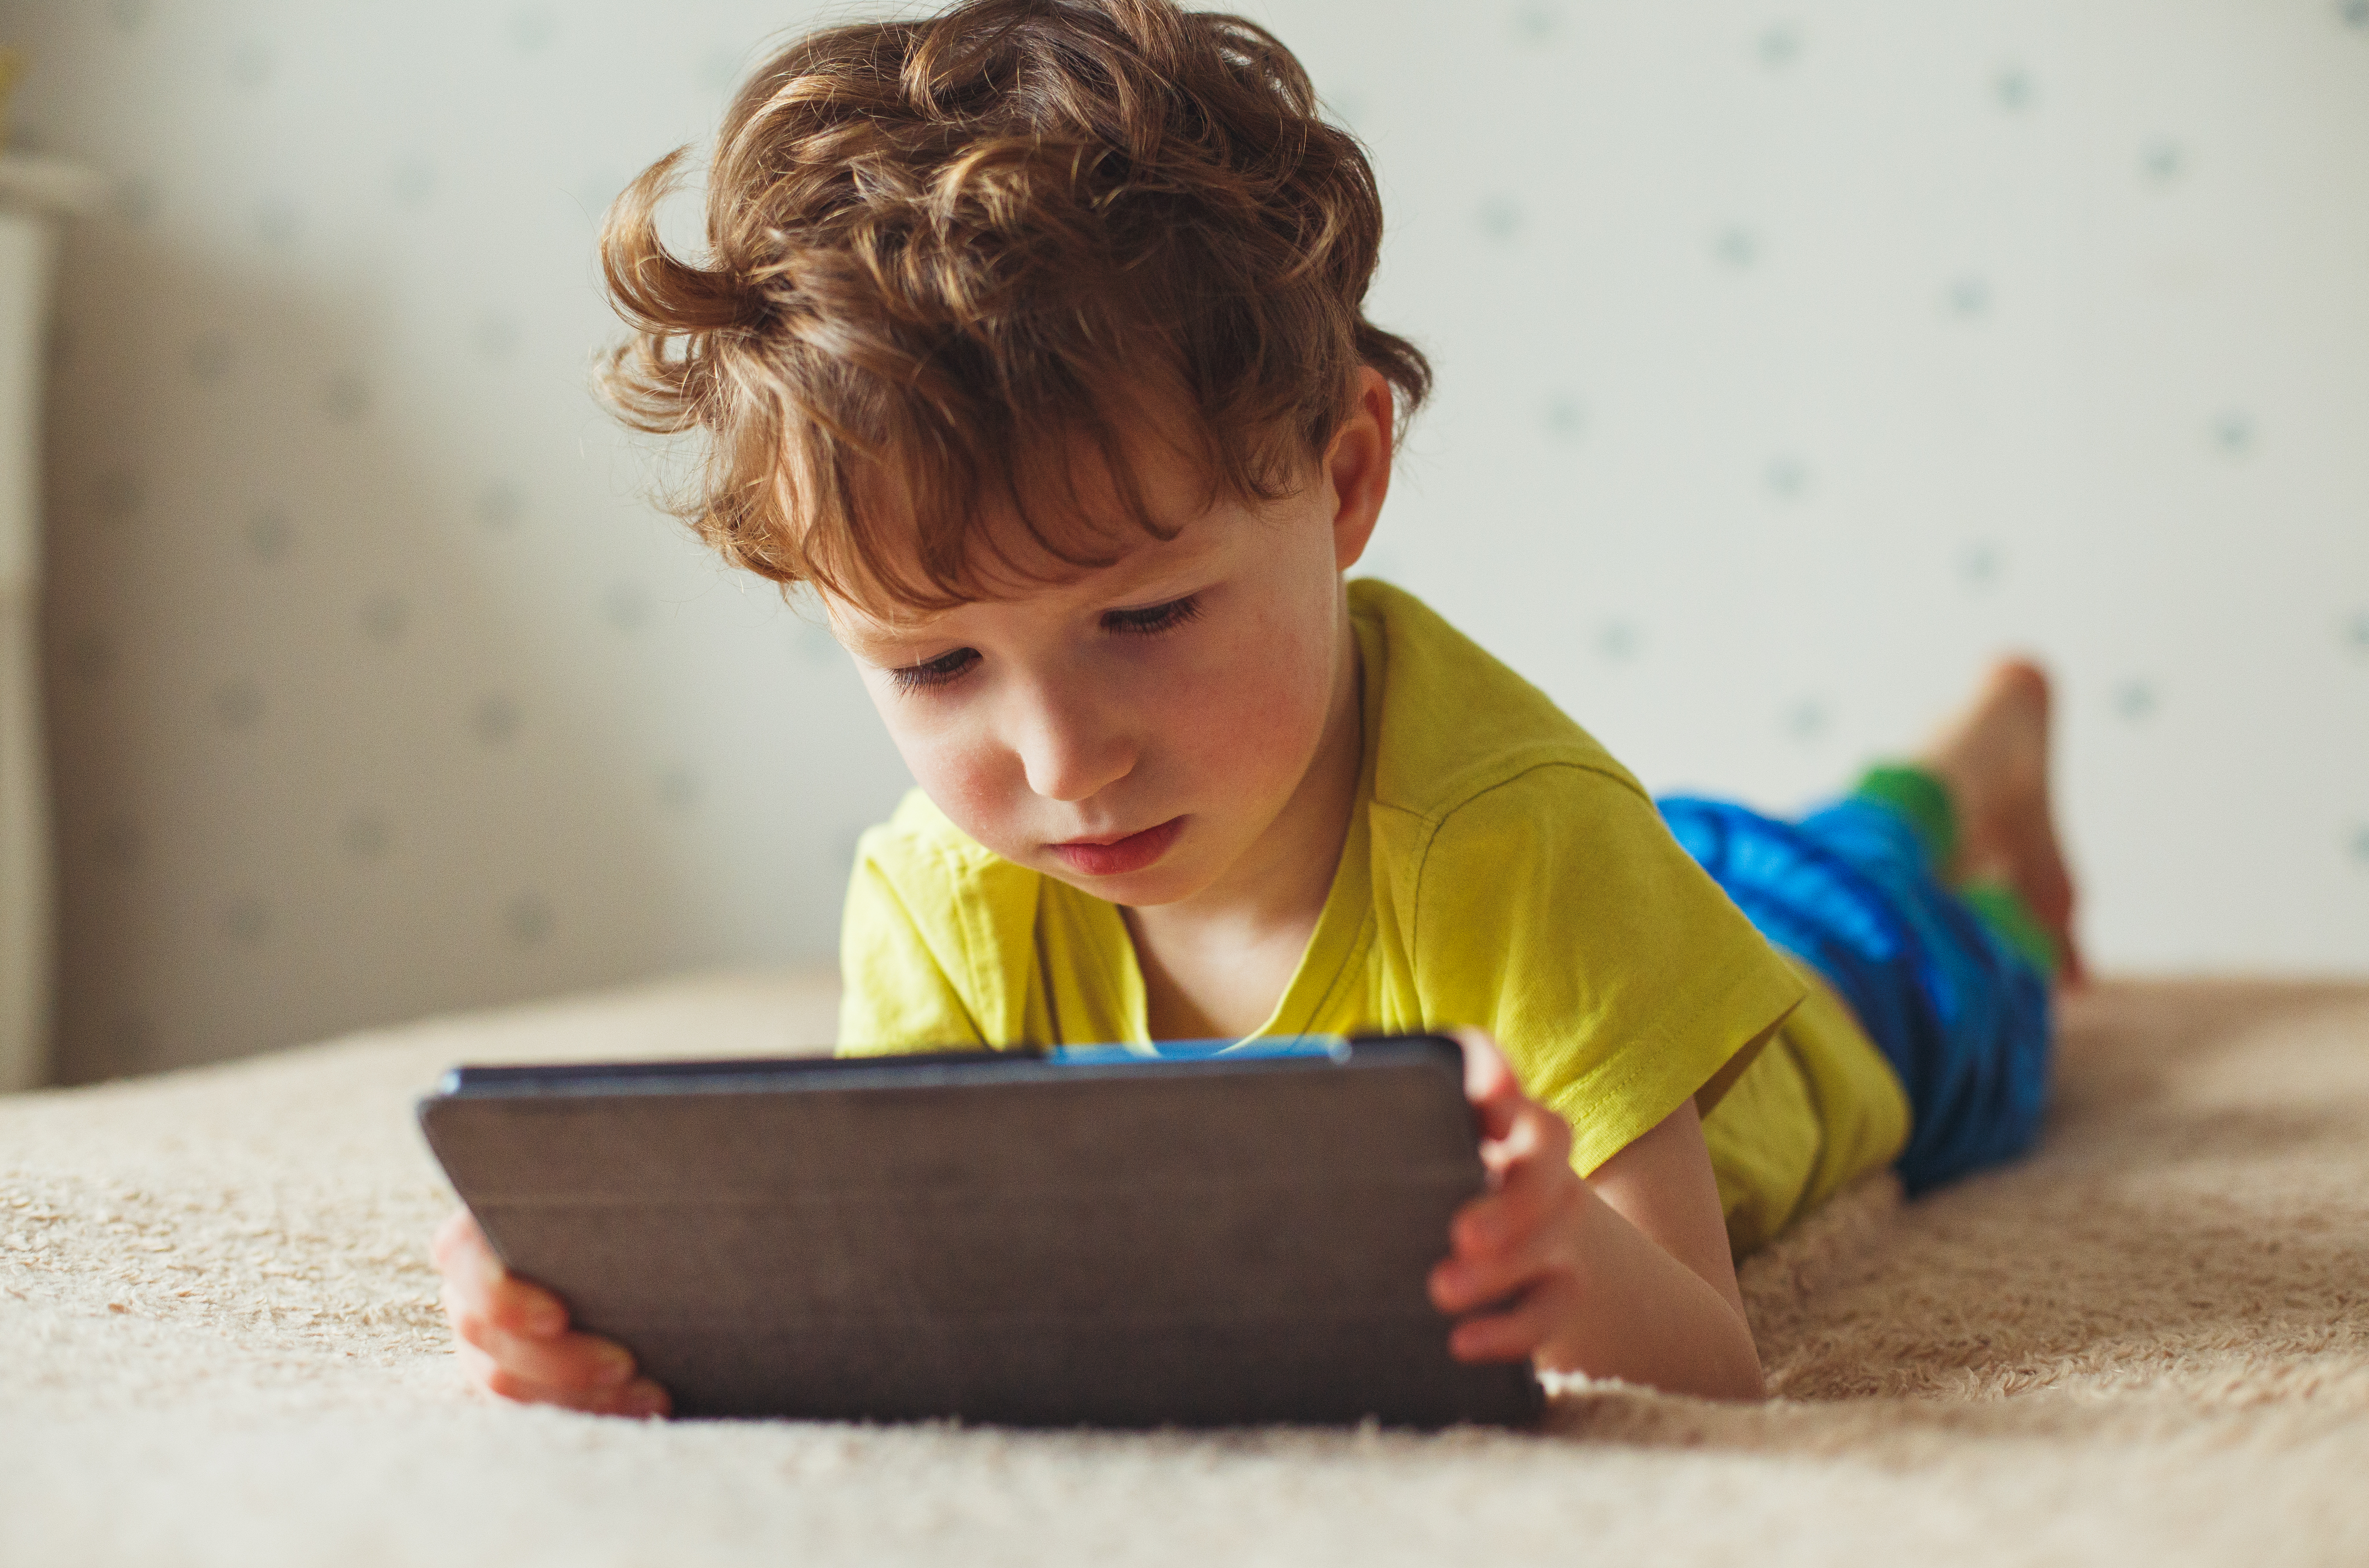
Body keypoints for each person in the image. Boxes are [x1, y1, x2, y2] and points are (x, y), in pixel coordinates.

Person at [433, 0, 2078, 1418]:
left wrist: (1563, 1261)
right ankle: (1955, 764)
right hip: (1657, 882)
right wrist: (612, 1334)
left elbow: (1709, 1362)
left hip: (1845, 987)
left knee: (1930, 922)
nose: (1065, 761)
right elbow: (911, 1300)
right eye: (936, 667)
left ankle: (1986, 776)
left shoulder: (1527, 844)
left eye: (1143, 616)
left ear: (1345, 477)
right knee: (1788, 842)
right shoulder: (944, 902)